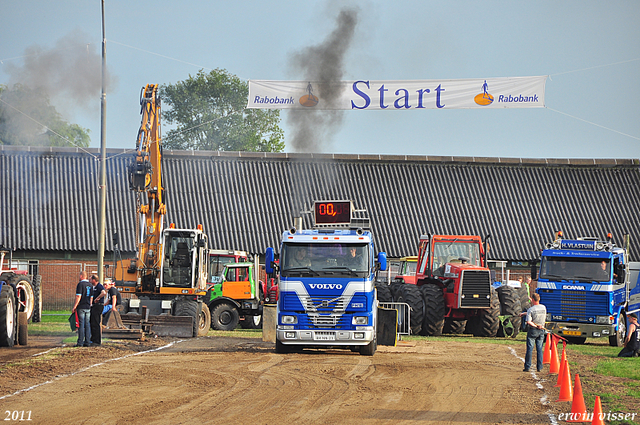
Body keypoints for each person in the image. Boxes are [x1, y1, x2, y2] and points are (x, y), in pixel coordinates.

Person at [521, 293, 547, 372]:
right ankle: (539, 367)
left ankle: (527, 367)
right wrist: (524, 314)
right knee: (539, 349)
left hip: (533, 330)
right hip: (541, 329)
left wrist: (535, 326)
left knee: (530, 349)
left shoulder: (531, 309)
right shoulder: (543, 307)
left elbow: (529, 321)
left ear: (532, 299)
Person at [71, 271, 92, 347]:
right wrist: (90, 305)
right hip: (88, 307)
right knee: (87, 324)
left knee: (81, 324)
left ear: (81, 276)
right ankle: (87, 342)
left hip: (81, 307)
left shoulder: (80, 284)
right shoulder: (90, 285)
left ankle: (80, 342)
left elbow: (78, 296)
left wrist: (75, 306)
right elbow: (91, 297)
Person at [89, 274, 106, 345]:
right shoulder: (93, 287)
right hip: (94, 306)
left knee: (96, 322)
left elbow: (103, 292)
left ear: (94, 280)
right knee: (92, 322)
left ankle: (97, 340)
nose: (89, 280)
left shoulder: (99, 286)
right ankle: (93, 338)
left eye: (90, 279)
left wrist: (98, 298)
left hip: (98, 306)